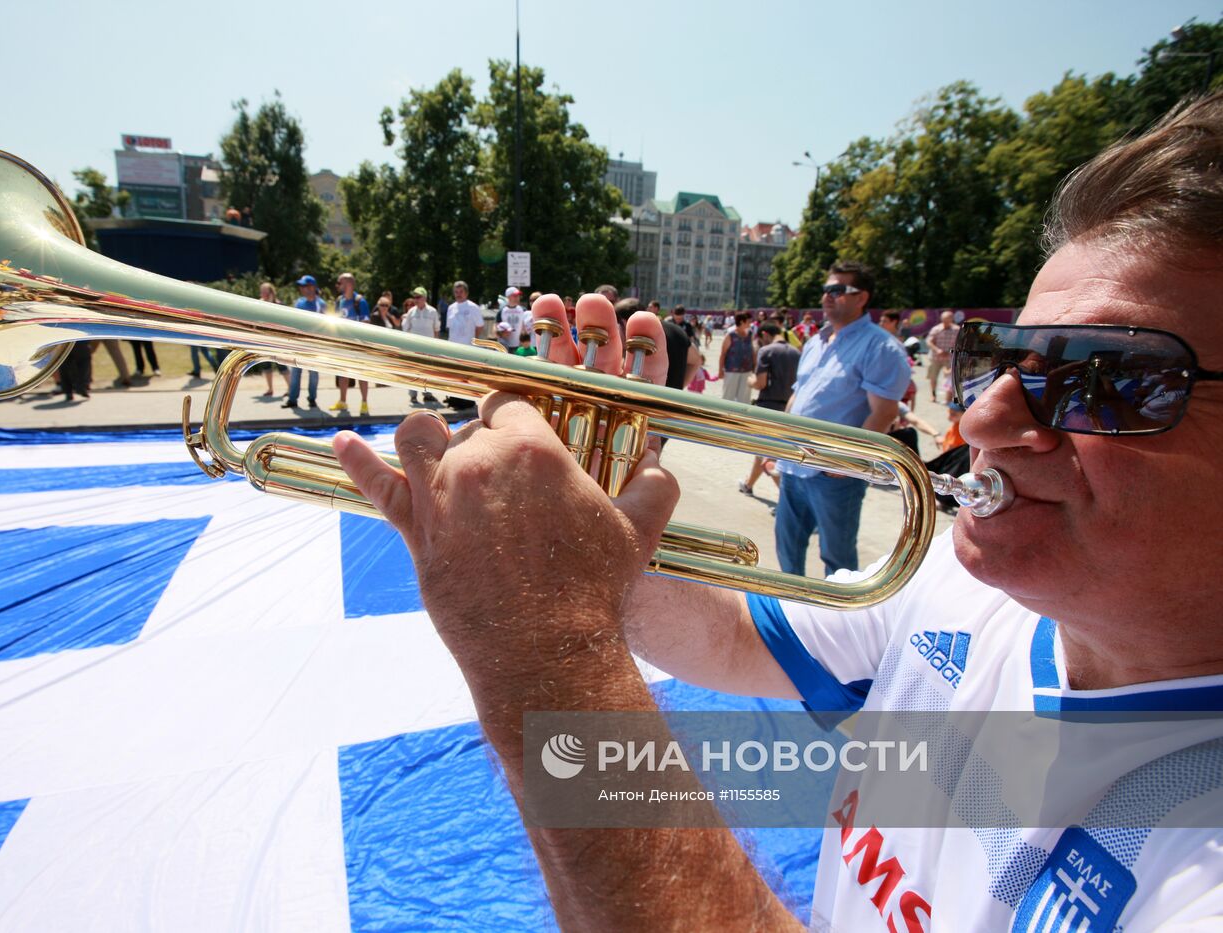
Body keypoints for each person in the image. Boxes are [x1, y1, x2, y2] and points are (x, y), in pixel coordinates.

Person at [330, 93, 1223, 931]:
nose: (983, 416)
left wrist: (542, 646)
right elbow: (727, 639)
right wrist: (581, 534)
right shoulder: (958, 582)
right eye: (1004, 359)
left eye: (1108, 378)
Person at [774, 261, 910, 577]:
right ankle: (790, 611)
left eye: (836, 290)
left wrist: (848, 463)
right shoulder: (815, 341)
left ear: (861, 297)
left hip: (833, 474)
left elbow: (884, 413)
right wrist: (776, 444)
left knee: (837, 559)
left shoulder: (881, 347)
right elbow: (799, 395)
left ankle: (835, 619)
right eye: (825, 290)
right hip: (794, 464)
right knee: (787, 549)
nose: (826, 297)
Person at [739, 322, 801, 496]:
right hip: (789, 407)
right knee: (764, 451)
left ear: (765, 333)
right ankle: (748, 484)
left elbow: (761, 383)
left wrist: (750, 380)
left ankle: (787, 498)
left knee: (766, 454)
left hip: (768, 406)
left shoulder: (766, 351)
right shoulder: (797, 353)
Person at [333, 272, 372, 414]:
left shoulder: (360, 301)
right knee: (342, 373)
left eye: (339, 282)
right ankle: (343, 402)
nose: (337, 285)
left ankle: (364, 403)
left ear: (348, 284)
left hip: (358, 344)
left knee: (362, 374)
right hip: (344, 344)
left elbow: (366, 322)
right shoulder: (339, 300)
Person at [283, 275, 324, 408]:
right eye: (301, 286)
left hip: (314, 345)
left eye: (304, 286)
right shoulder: (299, 303)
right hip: (299, 343)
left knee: (313, 373)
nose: (302, 289)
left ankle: (312, 398)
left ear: (312, 287)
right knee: (295, 371)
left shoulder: (321, 304)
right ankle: (292, 400)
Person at [444, 280, 484, 410]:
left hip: (468, 348)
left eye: (461, 292)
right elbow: (450, 328)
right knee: (454, 375)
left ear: (466, 293)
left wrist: (473, 341)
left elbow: (479, 326)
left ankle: (468, 401)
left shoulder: (473, 307)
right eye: (456, 292)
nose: (458, 294)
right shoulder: (451, 308)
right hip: (453, 347)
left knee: (467, 376)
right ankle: (454, 399)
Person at [400, 288, 441, 405]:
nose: (415, 299)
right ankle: (413, 395)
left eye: (418, 297)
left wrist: (436, 346)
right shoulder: (411, 312)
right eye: (415, 297)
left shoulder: (432, 311)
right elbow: (405, 328)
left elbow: (436, 329)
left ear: (424, 298)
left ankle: (427, 394)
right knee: (413, 371)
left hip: (429, 347)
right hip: (414, 347)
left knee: (428, 371)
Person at [715, 312, 756, 404]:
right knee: (728, 397)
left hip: (747, 371)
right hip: (731, 371)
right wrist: (720, 370)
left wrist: (755, 365)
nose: (750, 324)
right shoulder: (730, 336)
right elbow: (723, 354)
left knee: (745, 398)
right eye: (748, 322)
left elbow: (752, 351)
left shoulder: (749, 334)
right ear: (742, 322)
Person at [925, 311, 959, 403]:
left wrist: (951, 351)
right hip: (935, 357)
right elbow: (929, 341)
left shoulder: (957, 329)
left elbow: (959, 343)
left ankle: (948, 398)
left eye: (948, 319)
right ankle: (933, 395)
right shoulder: (936, 329)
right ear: (941, 319)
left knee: (950, 378)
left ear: (952, 319)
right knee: (933, 377)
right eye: (944, 320)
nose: (946, 321)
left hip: (949, 357)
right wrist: (937, 350)